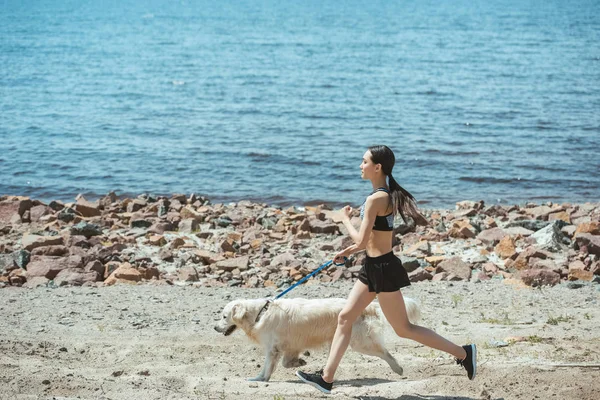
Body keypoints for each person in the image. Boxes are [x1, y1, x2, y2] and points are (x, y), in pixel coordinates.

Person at [296, 145, 476, 394]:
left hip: (382, 268)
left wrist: (344, 223)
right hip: (374, 267)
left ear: (377, 167)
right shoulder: (384, 195)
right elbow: (370, 239)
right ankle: (326, 379)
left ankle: (462, 352)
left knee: (404, 329)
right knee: (345, 317)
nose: (361, 166)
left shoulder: (377, 198)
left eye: (364, 161)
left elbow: (360, 241)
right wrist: (349, 237)